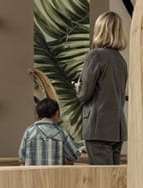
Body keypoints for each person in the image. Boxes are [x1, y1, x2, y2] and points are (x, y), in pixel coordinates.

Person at [77, 11, 128, 166]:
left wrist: (77, 87)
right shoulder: (120, 60)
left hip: (98, 128)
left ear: (100, 30)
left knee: (102, 178)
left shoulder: (95, 55)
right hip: (117, 129)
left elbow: (84, 94)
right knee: (113, 177)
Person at [18, 97, 81, 166]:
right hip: (55, 173)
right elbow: (74, 156)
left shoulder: (29, 132)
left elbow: (21, 158)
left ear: (38, 115)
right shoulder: (61, 134)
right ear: (57, 113)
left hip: (32, 173)